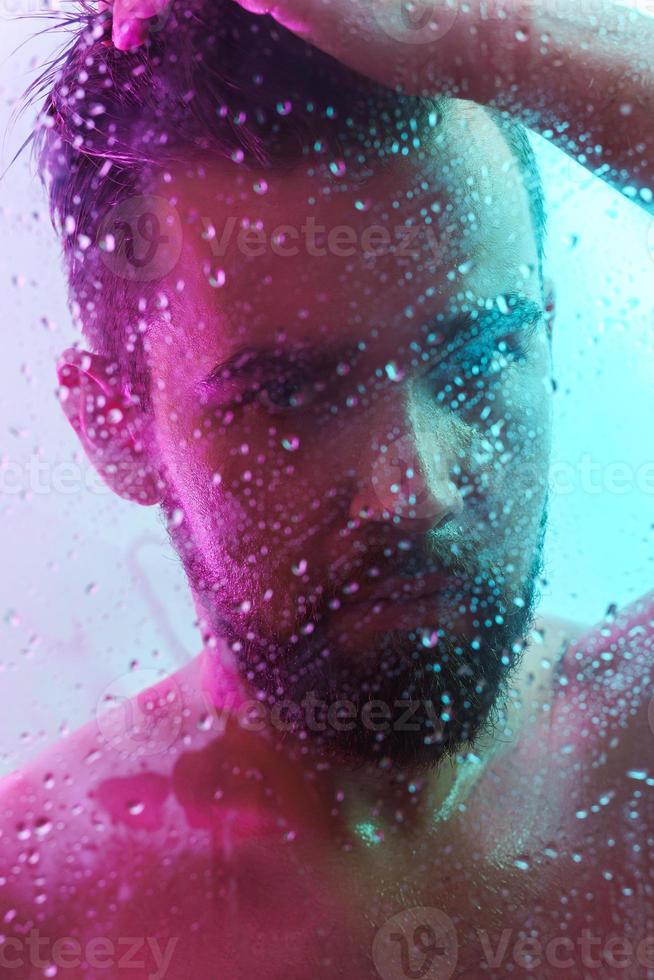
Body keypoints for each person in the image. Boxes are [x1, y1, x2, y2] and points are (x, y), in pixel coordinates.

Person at [1, 0, 652, 976]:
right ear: (118, 425)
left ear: (546, 330)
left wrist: (494, 44)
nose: (415, 491)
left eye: (479, 355)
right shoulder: (33, 904)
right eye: (293, 394)